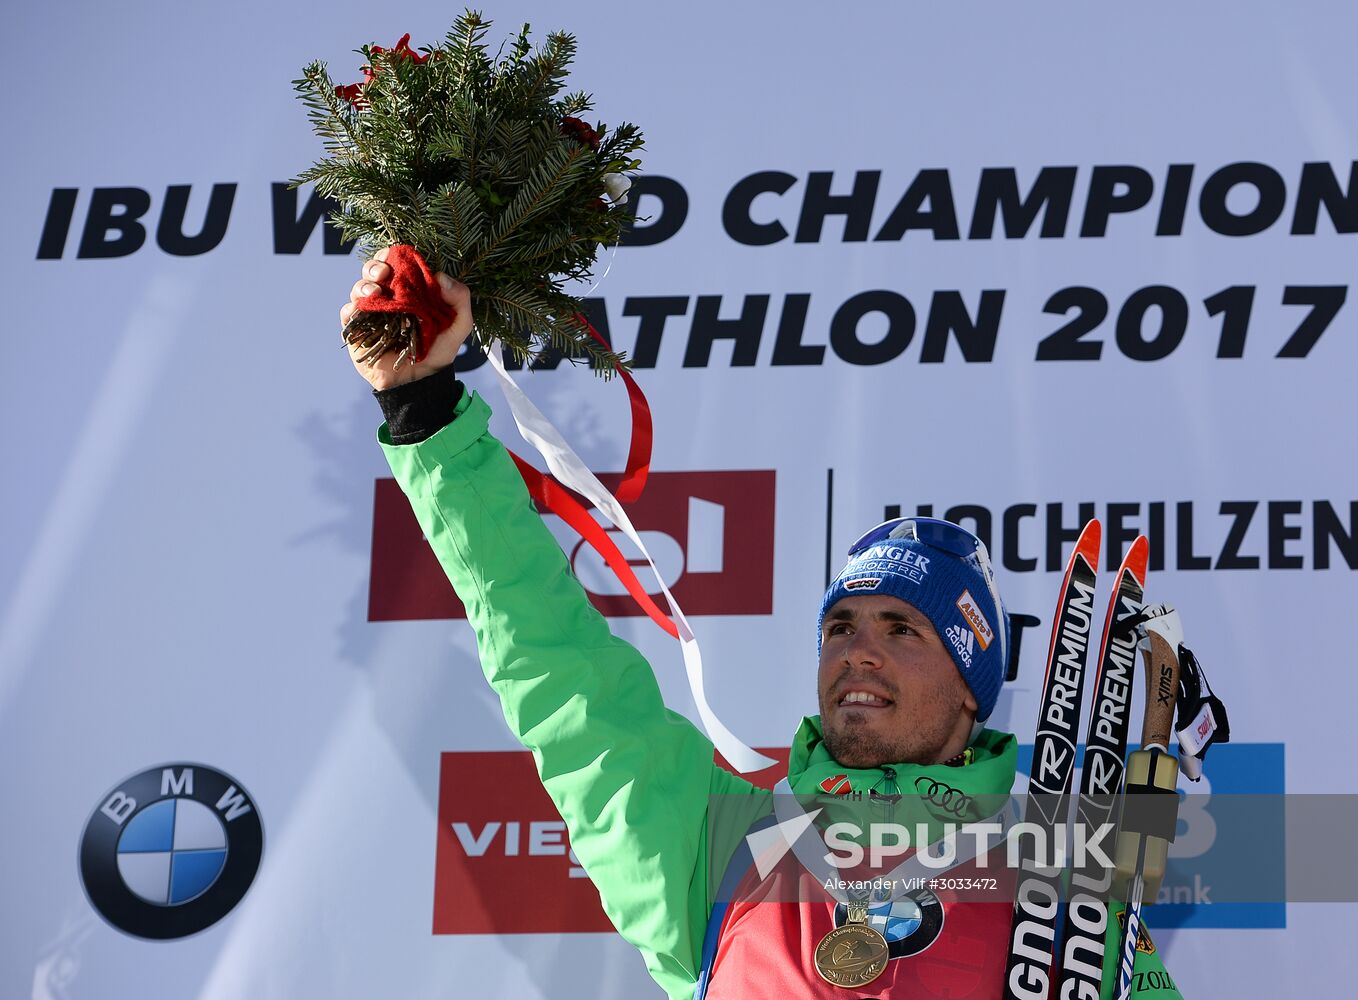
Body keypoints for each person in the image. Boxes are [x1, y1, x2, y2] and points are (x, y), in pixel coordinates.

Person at [341, 252, 1184, 999]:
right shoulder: (715, 848)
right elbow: (552, 659)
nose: (859, 648)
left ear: (972, 689)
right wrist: (424, 413)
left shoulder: (1063, 909)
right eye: (842, 625)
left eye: (904, 630)